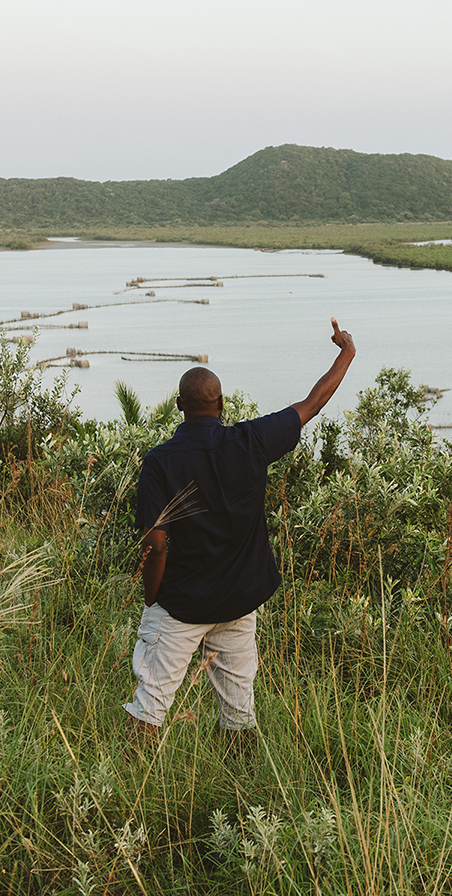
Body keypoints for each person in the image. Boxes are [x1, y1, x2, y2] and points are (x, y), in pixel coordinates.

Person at [124, 317, 356, 744]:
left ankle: (126, 791)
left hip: (180, 604)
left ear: (179, 406)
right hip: (237, 602)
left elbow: (156, 544)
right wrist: (347, 352)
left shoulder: (160, 461)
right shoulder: (251, 442)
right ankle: (244, 788)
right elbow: (312, 404)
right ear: (222, 403)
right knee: (238, 712)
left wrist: (153, 597)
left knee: (150, 705)